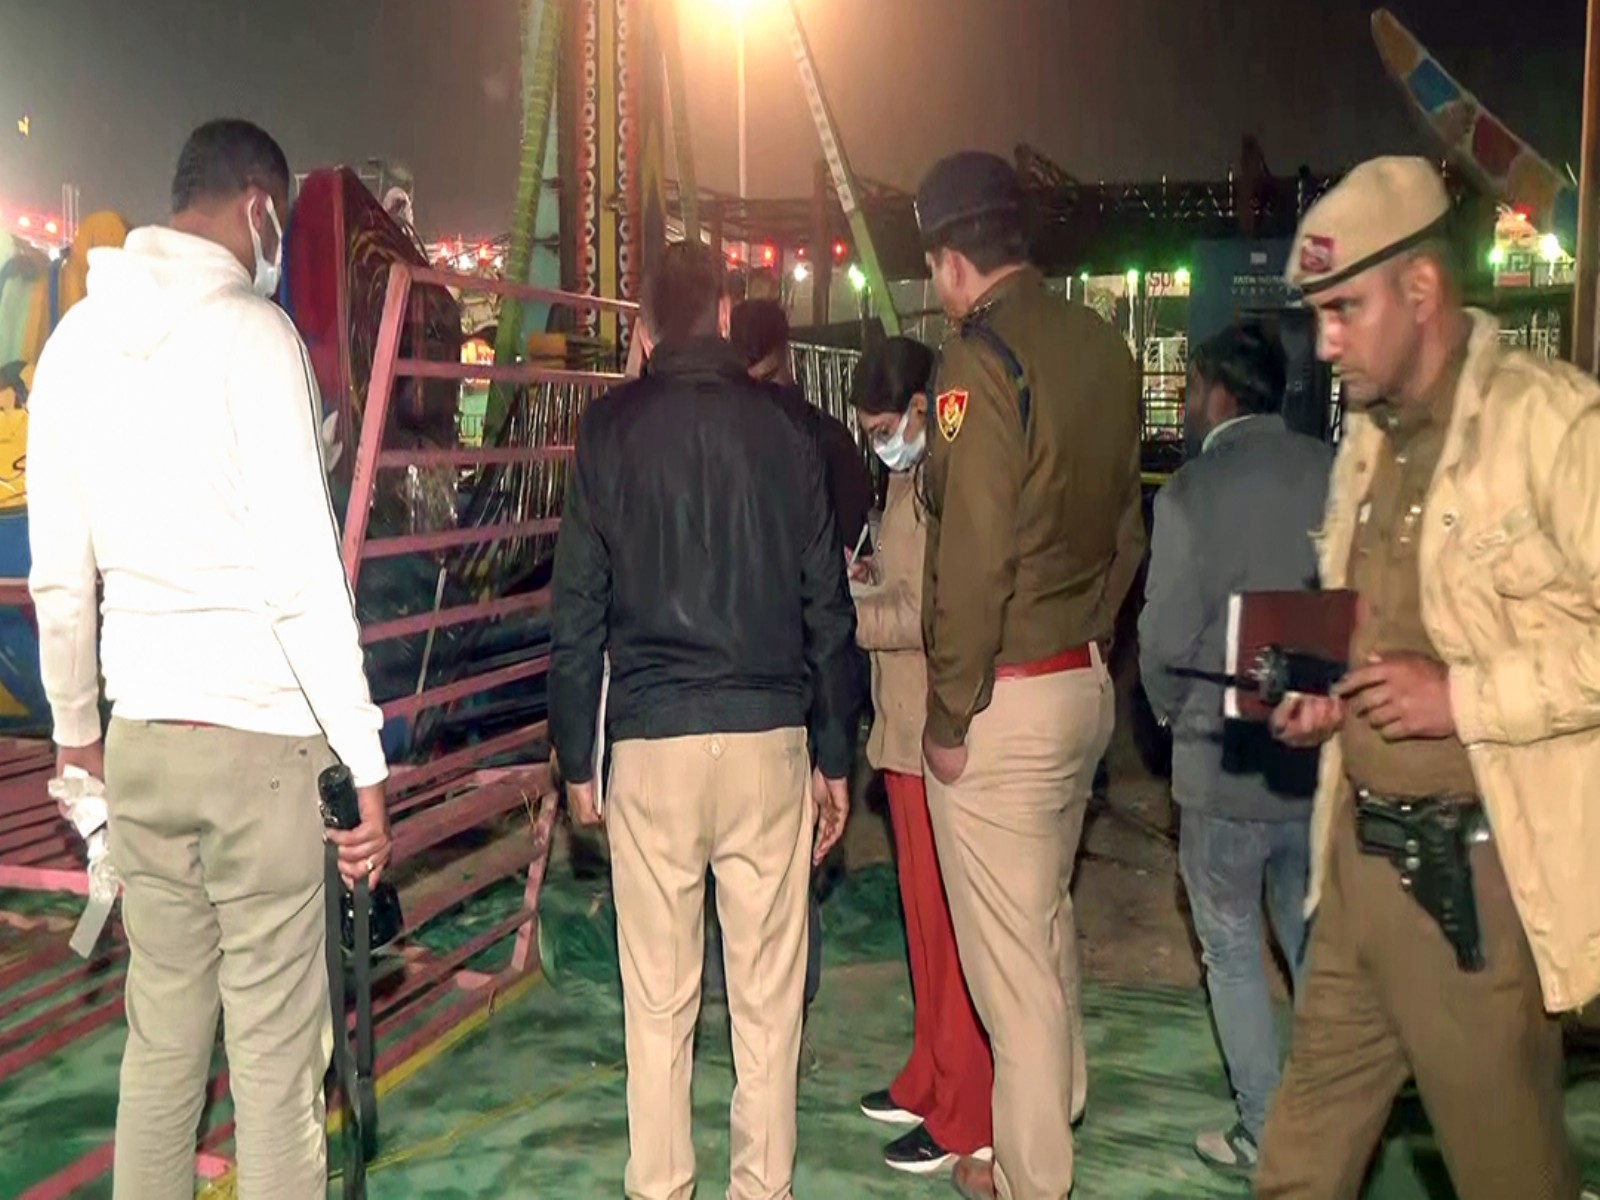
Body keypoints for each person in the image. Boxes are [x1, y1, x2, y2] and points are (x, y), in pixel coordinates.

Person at [27, 119, 391, 1199]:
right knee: (276, 1073)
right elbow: (301, 579)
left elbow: (61, 577)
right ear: (257, 208)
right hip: (261, 752)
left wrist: (78, 741)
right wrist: (364, 763)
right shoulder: (254, 337)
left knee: (161, 1053)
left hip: (141, 747)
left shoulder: (75, 348)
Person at [1255, 155, 1592, 1199]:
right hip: (1354, 868)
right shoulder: (1364, 442)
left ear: (1421, 290)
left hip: (1475, 894)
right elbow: (1375, 614)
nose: (1326, 343)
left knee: (1508, 1180)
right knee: (1295, 1173)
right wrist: (1318, 688)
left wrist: (1462, 695)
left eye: (1344, 309)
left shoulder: (1551, 425)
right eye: (1316, 316)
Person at [548, 239, 859, 1200]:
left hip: (651, 743)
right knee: (767, 1008)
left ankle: (662, 1189)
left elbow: (575, 616)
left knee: (658, 1002)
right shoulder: (791, 434)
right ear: (726, 315)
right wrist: (836, 755)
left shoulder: (606, 434)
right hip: (770, 740)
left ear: (641, 331)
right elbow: (828, 610)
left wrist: (575, 761)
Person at [914, 151, 1145, 1200]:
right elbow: (1130, 528)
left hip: (1004, 695)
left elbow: (972, 556)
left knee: (1009, 977)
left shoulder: (974, 363)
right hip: (1083, 680)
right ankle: (1056, 1107)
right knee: (1044, 917)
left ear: (951, 261)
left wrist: (950, 711)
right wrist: (1092, 633)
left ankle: (1030, 1178)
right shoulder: (1104, 346)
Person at [1137, 322, 1331, 1173]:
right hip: (1313, 758)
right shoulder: (1333, 472)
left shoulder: (1189, 494)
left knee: (1229, 948)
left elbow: (1162, 638)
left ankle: (1265, 1130)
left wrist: (1179, 718)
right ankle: (1333, 1124)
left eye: (1188, 388)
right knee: (1311, 942)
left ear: (1218, 392)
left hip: (1219, 763)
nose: (1183, 405)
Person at [847, 336, 997, 1177]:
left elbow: (930, 615)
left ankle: (965, 1110)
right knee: (922, 926)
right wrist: (867, 579)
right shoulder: (909, 480)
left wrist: (849, 610)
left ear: (918, 410)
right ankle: (929, 1074)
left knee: (949, 928)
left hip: (928, 726)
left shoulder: (942, 483)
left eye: (883, 426)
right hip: (900, 731)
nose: (880, 441)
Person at [731, 297, 878, 554]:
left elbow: (854, 548)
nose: (763, 394)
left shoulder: (829, 443)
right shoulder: (724, 444)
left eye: (769, 377)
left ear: (786, 352)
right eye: (750, 385)